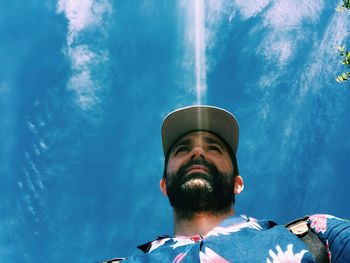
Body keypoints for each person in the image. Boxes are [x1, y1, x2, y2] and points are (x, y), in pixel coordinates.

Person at [105, 105, 350, 263]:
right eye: (182, 149)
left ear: (237, 183)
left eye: (213, 147)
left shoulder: (315, 234)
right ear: (164, 185)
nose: (198, 151)